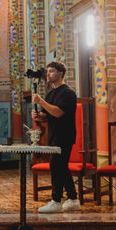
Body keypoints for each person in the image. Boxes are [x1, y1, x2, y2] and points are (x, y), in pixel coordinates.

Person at [31, 61, 80, 213]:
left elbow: (58, 112)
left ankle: (56, 201)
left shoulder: (68, 93)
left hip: (64, 135)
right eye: (48, 71)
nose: (48, 74)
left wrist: (41, 101)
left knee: (57, 166)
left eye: (52, 71)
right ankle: (73, 199)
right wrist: (38, 115)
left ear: (60, 73)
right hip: (54, 135)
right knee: (61, 167)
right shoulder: (51, 93)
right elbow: (48, 115)